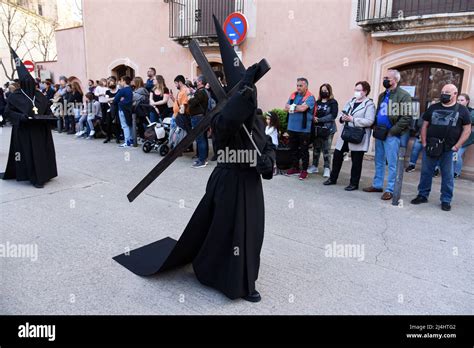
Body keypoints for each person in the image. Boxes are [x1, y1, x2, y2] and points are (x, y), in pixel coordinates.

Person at [118, 18, 276, 302]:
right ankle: (223, 278)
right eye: (247, 93)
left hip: (251, 185)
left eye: (252, 93)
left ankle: (247, 277)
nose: (252, 97)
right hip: (228, 182)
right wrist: (245, 89)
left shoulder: (258, 118)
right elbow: (230, 121)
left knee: (251, 232)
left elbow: (265, 145)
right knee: (227, 231)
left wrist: (268, 162)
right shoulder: (225, 117)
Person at [0, 47, 57, 188]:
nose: (30, 85)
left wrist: (50, 116)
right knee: (27, 154)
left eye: (31, 82)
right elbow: (8, 112)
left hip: (40, 130)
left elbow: (48, 109)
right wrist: (21, 117)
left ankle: (44, 174)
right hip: (24, 131)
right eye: (27, 82)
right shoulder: (15, 96)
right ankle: (31, 176)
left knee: (42, 152)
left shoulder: (40, 96)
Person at [411, 84, 471, 211]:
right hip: (431, 146)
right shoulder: (433, 107)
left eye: (447, 92)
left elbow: (467, 130)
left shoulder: (462, 110)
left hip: (449, 149)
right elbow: (424, 125)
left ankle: (446, 200)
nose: (444, 94)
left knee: (448, 176)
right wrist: (424, 142)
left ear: (455, 94)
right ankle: (422, 195)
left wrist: (457, 145)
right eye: (443, 91)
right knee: (426, 172)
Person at [363, 69, 412, 200]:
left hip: (392, 135)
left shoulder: (404, 95)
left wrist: (393, 131)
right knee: (378, 161)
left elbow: (407, 117)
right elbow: (379, 111)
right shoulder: (382, 95)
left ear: (395, 80)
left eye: (387, 78)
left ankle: (390, 189)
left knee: (391, 163)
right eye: (384, 77)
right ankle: (377, 185)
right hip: (380, 132)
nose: (385, 80)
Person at [324, 81, 375, 190]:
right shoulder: (351, 101)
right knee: (337, 156)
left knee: (356, 160)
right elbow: (342, 114)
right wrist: (342, 118)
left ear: (365, 92)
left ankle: (354, 183)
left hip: (358, 135)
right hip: (346, 133)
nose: (356, 92)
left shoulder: (369, 104)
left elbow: (370, 121)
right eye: (355, 89)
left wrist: (353, 119)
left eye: (358, 90)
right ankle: (332, 178)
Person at [284, 77, 316, 180]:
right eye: (297, 85)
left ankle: (304, 170)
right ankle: (295, 168)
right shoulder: (294, 95)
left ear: (306, 86)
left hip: (304, 129)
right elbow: (285, 107)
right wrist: (296, 107)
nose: (298, 87)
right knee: (293, 149)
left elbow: (303, 108)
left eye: (300, 86)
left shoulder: (310, 97)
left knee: (304, 150)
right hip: (292, 127)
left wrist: (293, 107)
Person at [308, 83, 338, 177]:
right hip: (317, 129)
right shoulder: (317, 102)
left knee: (326, 150)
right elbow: (312, 112)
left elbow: (333, 115)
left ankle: (327, 168)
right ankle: (314, 166)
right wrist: (313, 118)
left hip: (328, 129)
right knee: (316, 148)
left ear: (329, 91)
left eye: (325, 90)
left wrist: (319, 119)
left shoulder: (332, 102)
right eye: (322, 90)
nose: (324, 92)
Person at [188, 75, 209, 168]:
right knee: (202, 138)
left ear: (200, 82)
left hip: (198, 118)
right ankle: (203, 158)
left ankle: (202, 161)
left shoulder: (201, 92)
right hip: (200, 117)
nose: (195, 82)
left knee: (200, 139)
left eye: (196, 80)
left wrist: (189, 98)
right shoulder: (201, 92)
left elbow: (192, 103)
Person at [453, 93, 474, 178]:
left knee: (457, 154)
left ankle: (456, 172)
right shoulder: (454, 109)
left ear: (467, 101)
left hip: (466, 138)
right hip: (455, 136)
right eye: (458, 100)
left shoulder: (471, 111)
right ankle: (452, 170)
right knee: (453, 155)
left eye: (462, 100)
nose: (459, 102)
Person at [114, 76, 133, 147]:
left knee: (125, 126)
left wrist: (120, 99)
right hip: (129, 109)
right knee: (129, 124)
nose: (120, 82)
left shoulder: (122, 90)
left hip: (122, 109)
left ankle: (127, 141)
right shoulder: (130, 89)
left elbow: (115, 99)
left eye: (121, 81)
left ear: (124, 81)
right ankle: (131, 140)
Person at [104, 77, 121, 144]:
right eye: (109, 83)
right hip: (109, 108)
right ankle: (108, 137)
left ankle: (118, 138)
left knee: (117, 123)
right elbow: (107, 100)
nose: (111, 84)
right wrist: (115, 98)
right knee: (108, 123)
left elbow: (119, 98)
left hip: (117, 108)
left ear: (115, 83)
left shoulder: (119, 90)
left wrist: (112, 99)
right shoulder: (107, 91)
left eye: (112, 82)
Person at [265, 111, 279, 175]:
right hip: (269, 144)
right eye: (266, 119)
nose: (267, 120)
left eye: (269, 119)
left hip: (273, 144)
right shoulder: (267, 127)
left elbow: (266, 133)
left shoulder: (273, 128)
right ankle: (270, 167)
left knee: (273, 156)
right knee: (269, 156)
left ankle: (274, 168)